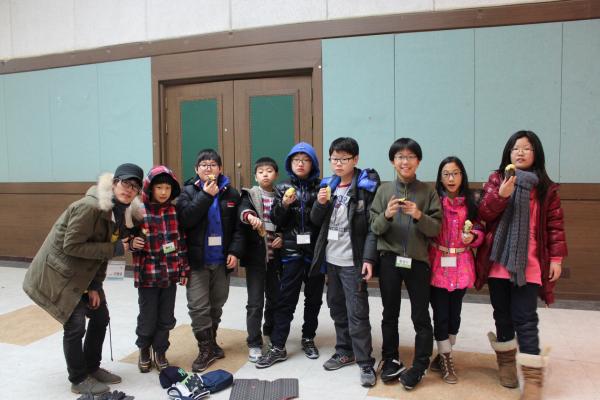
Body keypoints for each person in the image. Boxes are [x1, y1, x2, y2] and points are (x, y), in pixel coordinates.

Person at [22, 163, 144, 396]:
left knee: (100, 317)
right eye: (126, 183)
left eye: (135, 187)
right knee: (75, 325)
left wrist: (95, 286)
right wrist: (116, 248)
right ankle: (78, 378)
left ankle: (91, 367)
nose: (129, 190)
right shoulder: (89, 207)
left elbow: (101, 255)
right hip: (61, 274)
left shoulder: (120, 212)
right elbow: (71, 245)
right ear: (114, 183)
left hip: (85, 275)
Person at [476, 130, 567, 400]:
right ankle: (506, 365)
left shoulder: (545, 188)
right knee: (502, 315)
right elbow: (483, 213)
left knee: (526, 318)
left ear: (536, 153)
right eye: (516, 148)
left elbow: (555, 226)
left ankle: (533, 377)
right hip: (498, 261)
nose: (520, 152)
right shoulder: (497, 179)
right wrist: (501, 195)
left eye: (527, 148)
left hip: (530, 263)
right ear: (508, 153)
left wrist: (557, 259)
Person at [369, 138, 442, 391]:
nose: (405, 161)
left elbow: (436, 229)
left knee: (421, 315)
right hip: (389, 259)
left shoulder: (428, 191)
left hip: (418, 261)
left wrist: (419, 215)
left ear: (418, 161)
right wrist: (387, 215)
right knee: (389, 313)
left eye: (410, 156)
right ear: (393, 161)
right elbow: (374, 227)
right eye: (400, 157)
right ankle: (390, 358)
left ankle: (420, 365)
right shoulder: (383, 191)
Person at [310, 137, 380, 387]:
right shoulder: (328, 185)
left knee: (357, 312)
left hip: (353, 261)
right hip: (332, 260)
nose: (338, 163)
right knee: (337, 307)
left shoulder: (365, 187)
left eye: (344, 159)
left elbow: (373, 228)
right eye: (334, 159)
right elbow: (316, 221)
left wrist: (369, 258)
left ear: (355, 159)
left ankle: (365, 361)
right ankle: (344, 350)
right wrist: (320, 204)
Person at [256, 142, 323, 368]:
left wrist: (322, 202)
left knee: (314, 299)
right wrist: (284, 204)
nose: (300, 164)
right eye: (296, 160)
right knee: (286, 299)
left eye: (305, 160)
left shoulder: (321, 187)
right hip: (291, 251)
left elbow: (320, 221)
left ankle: (308, 338)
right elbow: (276, 220)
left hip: (314, 251)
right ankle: (278, 346)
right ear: (290, 163)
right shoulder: (282, 188)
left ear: (313, 163)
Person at [176, 149, 244, 372]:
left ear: (220, 169)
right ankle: (205, 349)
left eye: (213, 164)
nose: (208, 168)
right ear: (196, 169)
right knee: (198, 306)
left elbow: (238, 229)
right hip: (197, 260)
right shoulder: (187, 192)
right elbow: (185, 221)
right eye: (204, 165)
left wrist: (234, 251)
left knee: (217, 303)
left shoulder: (231, 193)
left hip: (222, 260)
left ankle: (212, 343)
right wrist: (205, 195)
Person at [428, 156, 484, 384]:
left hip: (462, 264)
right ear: (440, 178)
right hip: (438, 262)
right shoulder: (433, 199)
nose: (451, 179)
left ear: (462, 175)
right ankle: (446, 359)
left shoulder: (472, 201)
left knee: (455, 314)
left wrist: (473, 237)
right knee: (440, 313)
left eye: (455, 173)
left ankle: (444, 352)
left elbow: (480, 228)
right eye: (446, 174)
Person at [130, 165, 189, 373]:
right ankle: (144, 349)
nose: (164, 192)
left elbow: (181, 242)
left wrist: (184, 269)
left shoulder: (174, 211)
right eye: (159, 188)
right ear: (150, 188)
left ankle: (160, 351)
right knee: (147, 317)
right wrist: (132, 243)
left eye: (167, 188)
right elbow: (128, 238)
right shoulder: (139, 211)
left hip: (170, 275)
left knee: (166, 317)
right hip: (148, 276)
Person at [238, 157, 283, 362]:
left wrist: (282, 237)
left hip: (275, 259)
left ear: (276, 175)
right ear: (256, 176)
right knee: (255, 302)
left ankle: (269, 332)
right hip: (256, 259)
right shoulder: (250, 194)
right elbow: (243, 210)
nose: (265, 174)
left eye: (269, 171)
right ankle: (254, 342)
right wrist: (249, 216)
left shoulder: (281, 196)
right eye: (261, 171)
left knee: (274, 299)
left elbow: (286, 221)